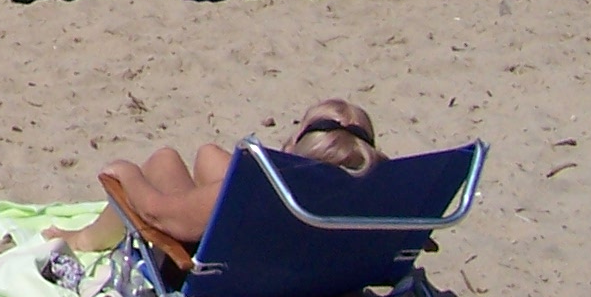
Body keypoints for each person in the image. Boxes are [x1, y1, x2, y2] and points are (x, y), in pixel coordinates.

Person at [47, 100, 382, 253]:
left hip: (251, 285)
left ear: (293, 145)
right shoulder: (378, 204)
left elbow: (154, 212)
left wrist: (125, 172)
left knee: (164, 160)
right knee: (209, 154)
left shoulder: (255, 194)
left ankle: (85, 240)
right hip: (327, 281)